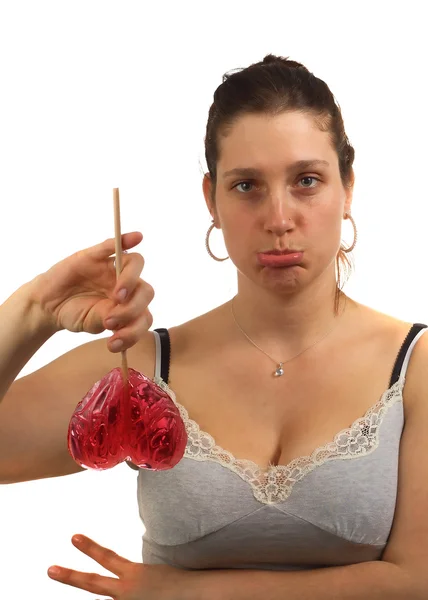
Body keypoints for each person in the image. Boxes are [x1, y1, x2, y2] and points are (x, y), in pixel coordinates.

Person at [1, 54, 427, 599]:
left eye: (307, 180)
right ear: (212, 200)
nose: (278, 217)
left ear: (347, 188)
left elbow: (419, 581)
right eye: (247, 186)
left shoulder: (416, 365)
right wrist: (33, 309)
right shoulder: (141, 370)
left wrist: (187, 593)